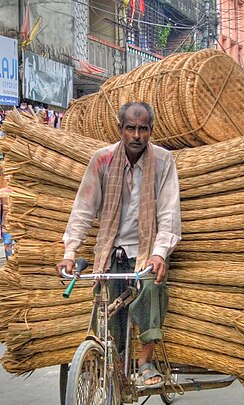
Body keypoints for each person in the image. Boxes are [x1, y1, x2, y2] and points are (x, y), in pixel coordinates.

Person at [55, 102, 181, 388]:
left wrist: (160, 254)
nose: (137, 135)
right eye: (131, 128)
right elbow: (84, 208)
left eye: (143, 129)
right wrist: (70, 252)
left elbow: (169, 212)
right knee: (106, 307)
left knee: (151, 288)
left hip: (148, 251)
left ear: (151, 130)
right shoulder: (102, 160)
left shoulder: (163, 161)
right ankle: (110, 360)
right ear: (120, 129)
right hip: (112, 251)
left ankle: (145, 361)